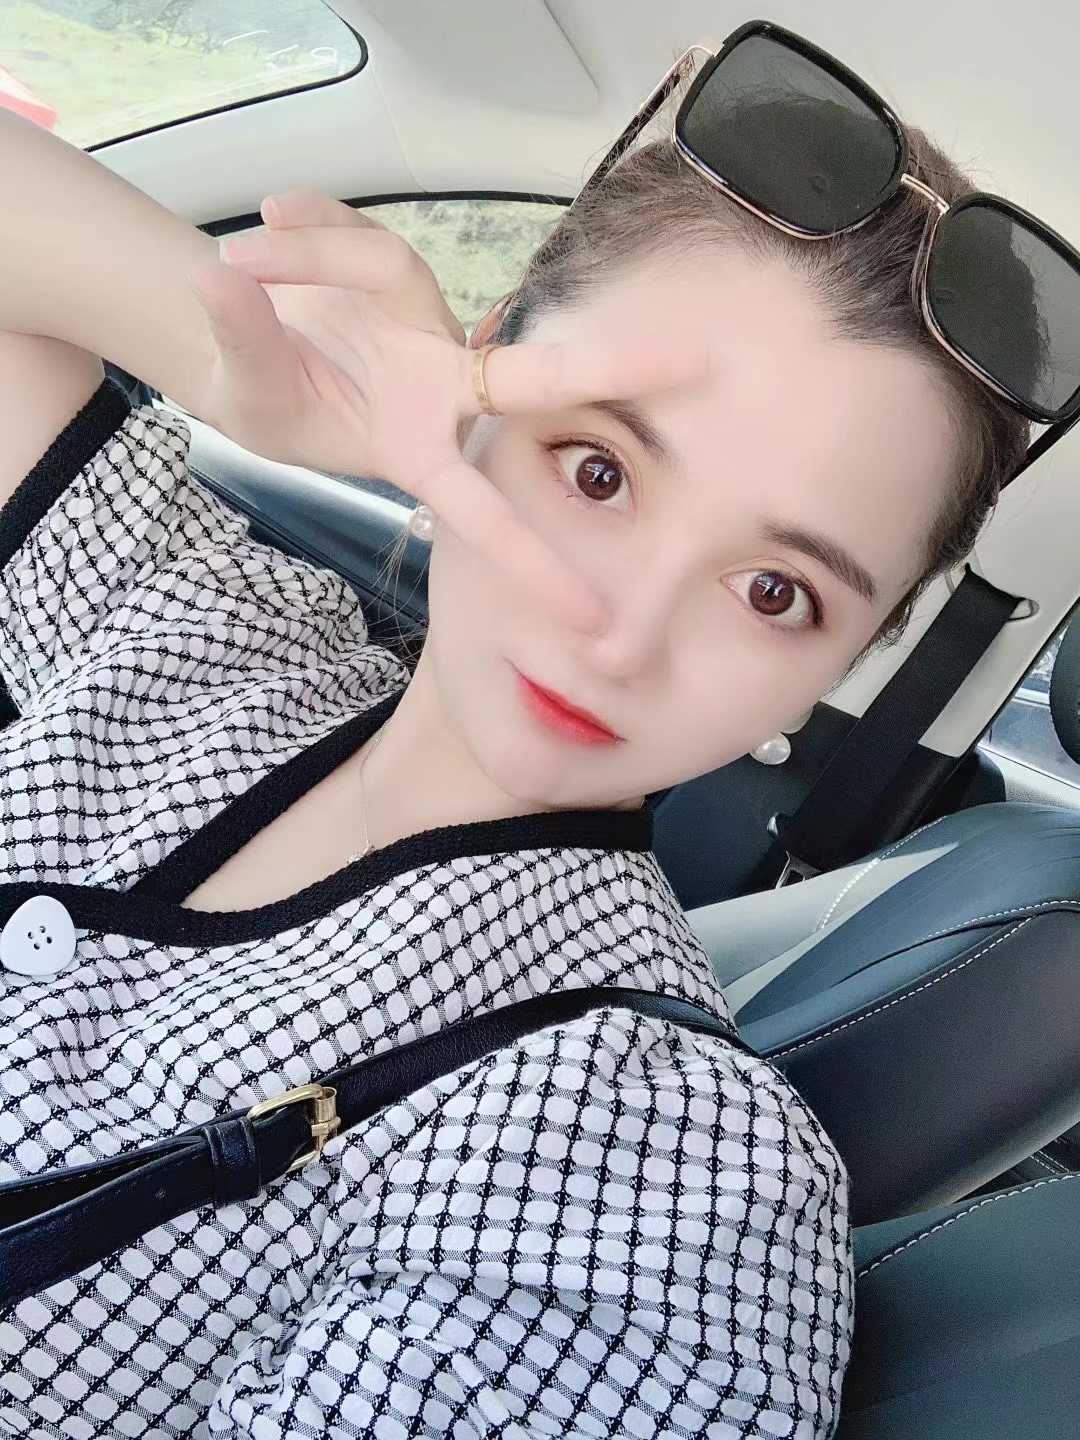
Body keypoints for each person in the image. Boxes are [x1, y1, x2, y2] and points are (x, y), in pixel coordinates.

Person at [0, 23, 1044, 1439]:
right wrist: (240, 360)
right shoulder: (205, 635)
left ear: (846, 661)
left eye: (773, 592)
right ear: (476, 373)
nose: (615, 630)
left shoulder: (663, 1191)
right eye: (597, 468)